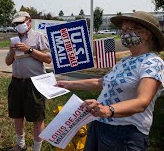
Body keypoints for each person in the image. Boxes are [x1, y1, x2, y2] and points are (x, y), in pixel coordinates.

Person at [56, 11, 164, 151]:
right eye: (122, 30)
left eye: (128, 30)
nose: (123, 34)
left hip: (125, 134)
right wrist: (67, 84)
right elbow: (102, 82)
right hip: (99, 125)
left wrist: (108, 110)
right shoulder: (125, 60)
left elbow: (142, 102)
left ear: (146, 34)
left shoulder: (153, 62)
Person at [5, 11, 52, 151]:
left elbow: (48, 59)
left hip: (35, 83)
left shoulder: (39, 37)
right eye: (16, 23)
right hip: (17, 82)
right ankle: (20, 145)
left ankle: (37, 149)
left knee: (37, 118)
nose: (18, 25)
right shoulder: (14, 40)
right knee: (17, 115)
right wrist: (13, 51)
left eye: (21, 22)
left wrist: (29, 50)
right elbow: (8, 62)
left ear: (29, 21)